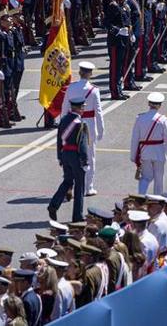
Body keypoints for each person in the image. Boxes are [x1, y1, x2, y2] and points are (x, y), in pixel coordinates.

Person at [61, 61, 104, 196]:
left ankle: (71, 186)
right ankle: (88, 187)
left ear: (79, 72)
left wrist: (63, 125)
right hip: (89, 125)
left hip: (72, 124)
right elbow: (98, 111)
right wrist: (101, 129)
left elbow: (64, 108)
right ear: (90, 74)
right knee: (90, 156)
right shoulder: (94, 90)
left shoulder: (71, 87)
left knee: (72, 156)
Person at [48, 97, 89, 223]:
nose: (83, 109)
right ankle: (77, 215)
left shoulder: (64, 119)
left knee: (67, 182)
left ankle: (54, 204)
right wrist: (85, 161)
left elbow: (59, 140)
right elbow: (82, 145)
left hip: (65, 153)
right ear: (78, 108)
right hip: (75, 156)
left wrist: (60, 156)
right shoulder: (80, 123)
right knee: (79, 186)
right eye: (82, 107)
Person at [130, 92, 167, 195]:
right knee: (159, 179)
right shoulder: (162, 119)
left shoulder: (140, 118)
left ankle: (140, 196)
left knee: (145, 177)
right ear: (159, 105)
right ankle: (157, 200)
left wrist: (133, 156)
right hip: (159, 152)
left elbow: (135, 138)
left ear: (149, 104)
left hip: (145, 151)